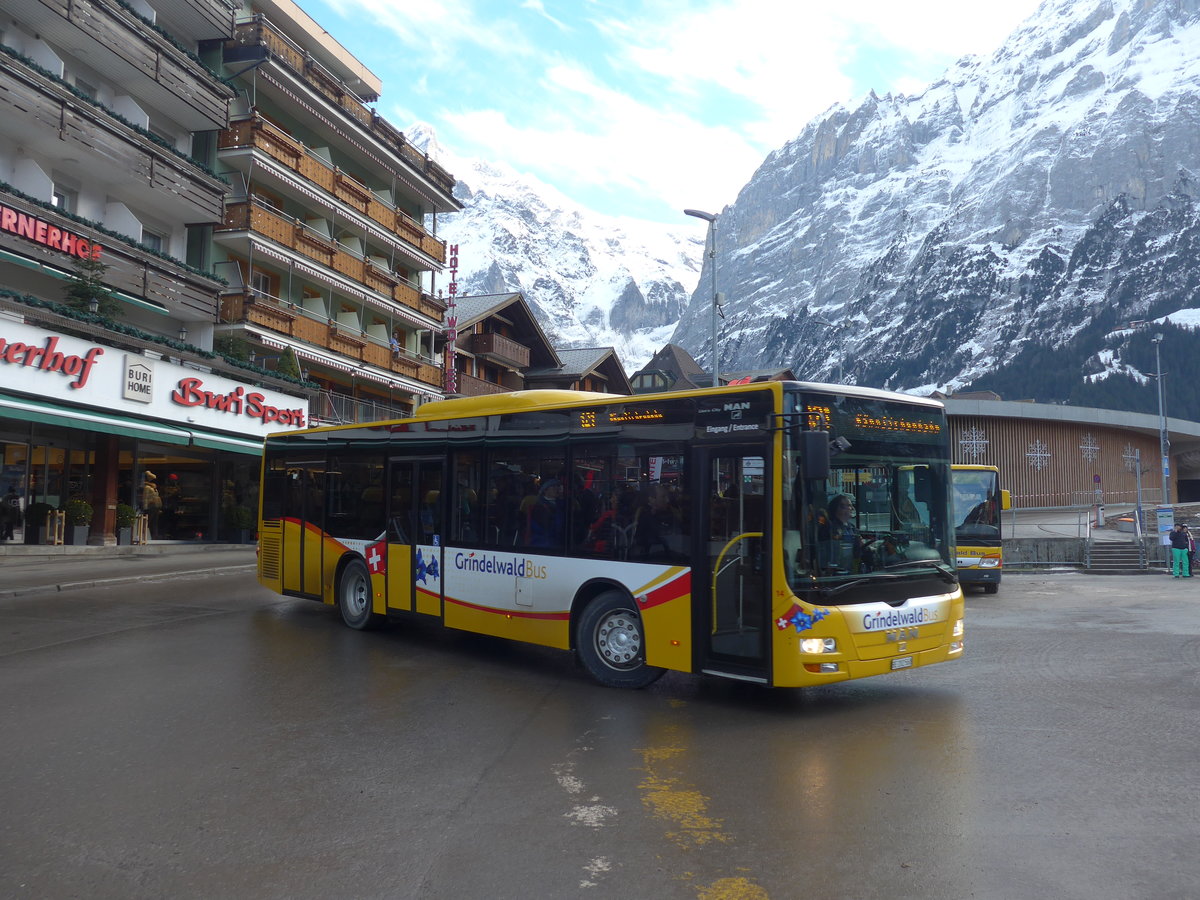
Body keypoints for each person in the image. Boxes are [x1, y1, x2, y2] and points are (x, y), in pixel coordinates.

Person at [818, 493, 868, 573]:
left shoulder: (851, 527)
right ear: (838, 508)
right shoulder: (829, 527)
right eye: (848, 506)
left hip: (853, 569)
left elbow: (860, 547)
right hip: (837, 571)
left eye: (851, 505)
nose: (851, 508)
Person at [140, 471, 162, 539]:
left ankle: (154, 536)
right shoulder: (147, 487)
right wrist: (145, 507)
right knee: (148, 522)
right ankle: (145, 536)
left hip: (155, 506)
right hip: (150, 506)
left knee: (154, 522)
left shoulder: (153, 488)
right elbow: (145, 498)